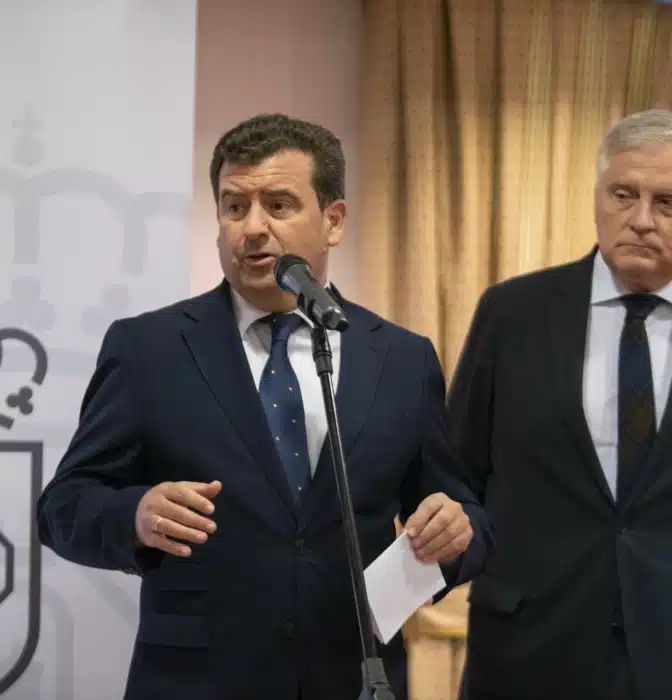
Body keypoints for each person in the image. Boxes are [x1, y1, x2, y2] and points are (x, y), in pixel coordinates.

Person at [36, 113, 493, 700]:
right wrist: (135, 515)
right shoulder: (148, 349)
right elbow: (63, 507)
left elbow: (463, 514)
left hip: (351, 681)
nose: (252, 228)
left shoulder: (402, 359)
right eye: (234, 207)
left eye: (278, 205)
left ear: (333, 221)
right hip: (196, 683)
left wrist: (458, 532)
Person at [449, 109, 672, 700]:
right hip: (527, 647)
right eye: (623, 195)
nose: (642, 220)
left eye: (667, 203)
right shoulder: (512, 313)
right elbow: (455, 472)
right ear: (597, 196)